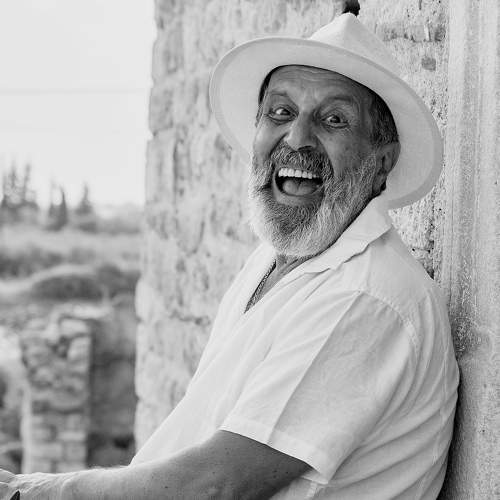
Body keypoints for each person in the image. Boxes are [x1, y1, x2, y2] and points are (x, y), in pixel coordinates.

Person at [0, 12, 458, 500]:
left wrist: (32, 491)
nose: (297, 138)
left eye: (334, 120)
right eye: (280, 113)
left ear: (381, 161)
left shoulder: (366, 297)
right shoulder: (272, 262)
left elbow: (216, 485)